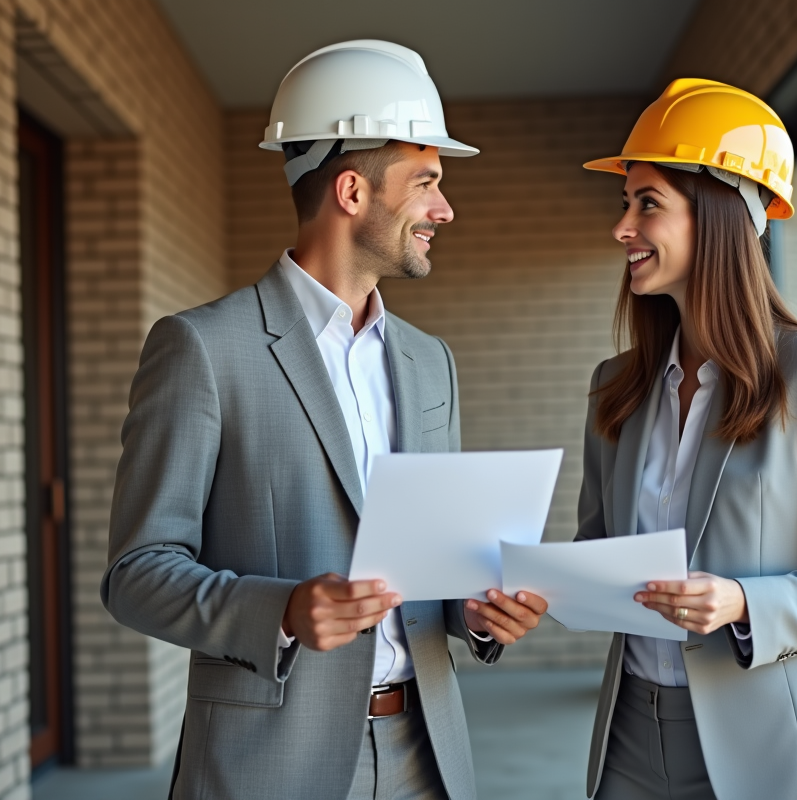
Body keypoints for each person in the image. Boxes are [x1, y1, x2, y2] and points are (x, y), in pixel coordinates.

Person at [101, 40, 547, 800]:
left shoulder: (430, 362)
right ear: (351, 192)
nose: (445, 209)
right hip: (268, 763)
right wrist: (279, 610)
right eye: (427, 183)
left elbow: (438, 563)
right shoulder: (202, 349)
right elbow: (136, 575)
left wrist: (479, 611)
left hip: (426, 757)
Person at [574, 79, 797, 800]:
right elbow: (597, 552)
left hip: (775, 747)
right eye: (624, 204)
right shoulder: (615, 386)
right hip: (629, 737)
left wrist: (743, 602)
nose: (621, 228)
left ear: (718, 216)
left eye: (646, 203)